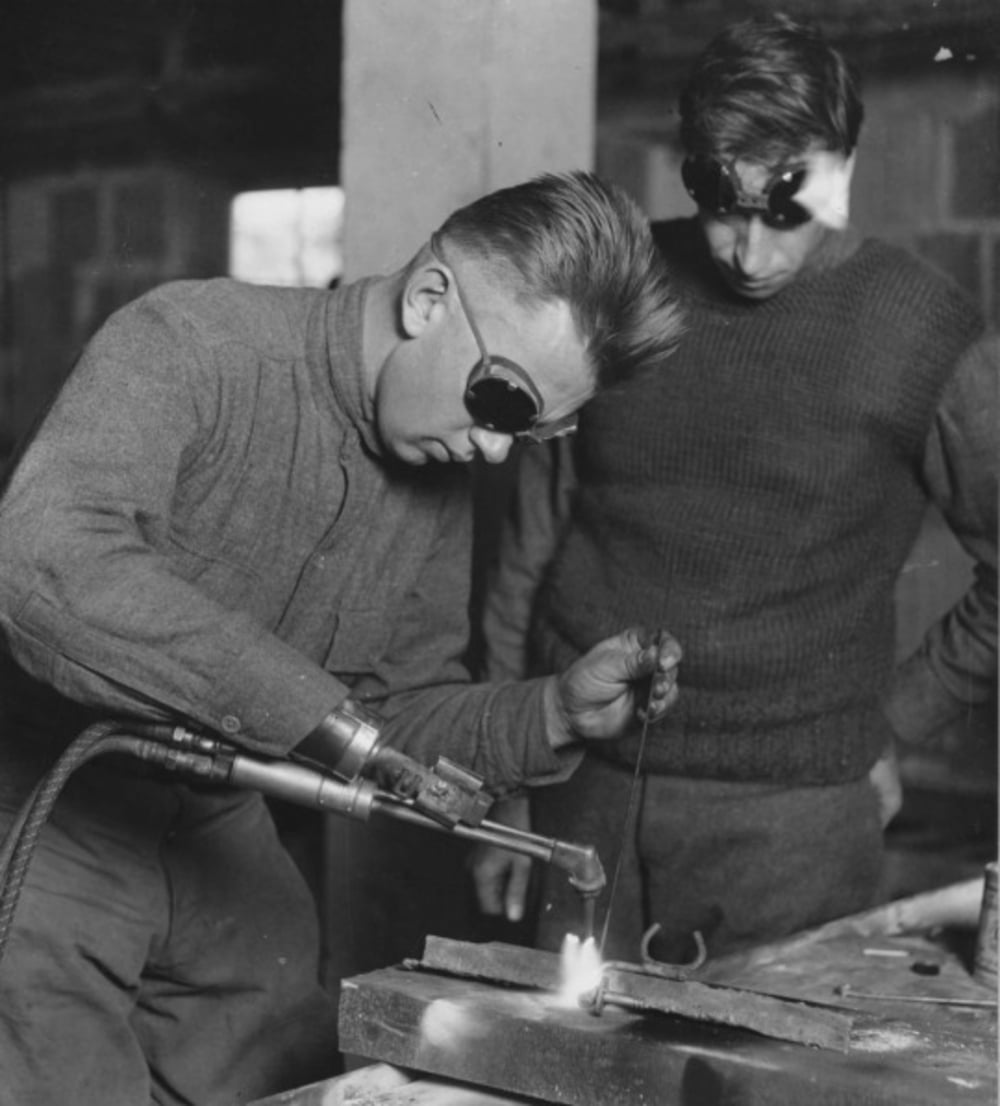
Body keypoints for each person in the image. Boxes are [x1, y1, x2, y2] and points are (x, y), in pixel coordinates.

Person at [0, 170, 685, 1106]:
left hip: (216, 827)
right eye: (503, 403)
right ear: (428, 298)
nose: (495, 449)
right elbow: (41, 560)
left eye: (533, 432)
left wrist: (553, 714)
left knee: (302, 1071)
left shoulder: (436, 475)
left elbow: (393, 713)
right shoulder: (191, 344)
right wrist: (311, 711)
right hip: (46, 808)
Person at [475, 15, 997, 966]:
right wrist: (504, 777)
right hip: (580, 789)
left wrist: (897, 722)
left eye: (785, 213)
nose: (748, 253)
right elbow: (528, 546)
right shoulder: (622, 290)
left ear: (843, 168)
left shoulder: (926, 332)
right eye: (722, 207)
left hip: (792, 828)